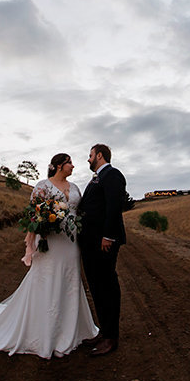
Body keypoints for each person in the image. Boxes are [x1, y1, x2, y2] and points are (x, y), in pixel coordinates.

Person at [0, 153, 98, 358]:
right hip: (49, 240)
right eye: (69, 163)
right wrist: (35, 239)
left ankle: (69, 328)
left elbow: (80, 213)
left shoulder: (76, 188)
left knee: (69, 279)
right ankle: (43, 330)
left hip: (71, 242)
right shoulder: (42, 186)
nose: (73, 166)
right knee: (47, 278)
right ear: (60, 166)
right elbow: (32, 214)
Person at [77, 143, 126, 356]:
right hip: (90, 243)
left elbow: (114, 207)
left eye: (90, 156)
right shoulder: (96, 178)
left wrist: (108, 236)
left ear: (99, 155)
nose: (88, 160)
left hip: (103, 243)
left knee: (107, 287)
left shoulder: (113, 175)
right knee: (96, 288)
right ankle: (104, 331)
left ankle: (111, 338)